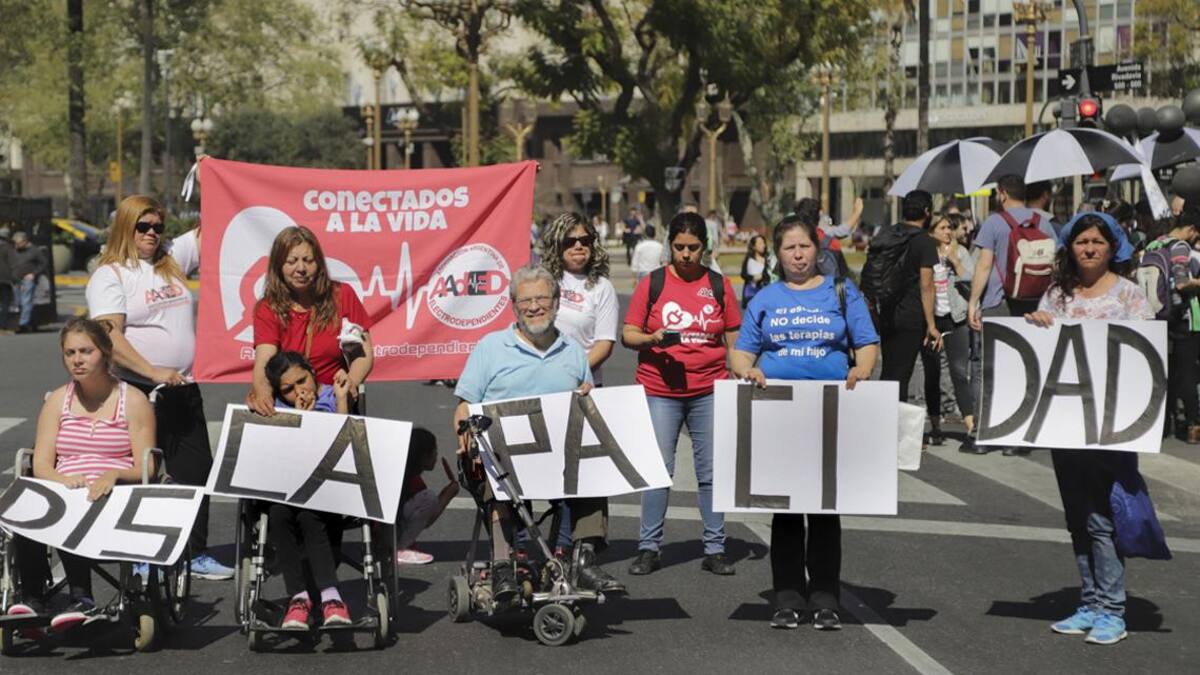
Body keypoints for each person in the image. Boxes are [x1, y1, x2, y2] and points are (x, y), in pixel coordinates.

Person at [730, 212, 879, 631]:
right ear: (778, 254)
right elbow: (741, 353)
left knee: (825, 510)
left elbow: (866, 344)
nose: (798, 255)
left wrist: (861, 370)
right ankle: (787, 596)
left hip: (831, 410)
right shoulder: (765, 298)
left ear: (818, 249)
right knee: (787, 511)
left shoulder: (843, 292)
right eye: (789, 248)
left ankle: (826, 597)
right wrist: (748, 370)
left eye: (805, 246)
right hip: (779, 413)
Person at [453, 265, 624, 603]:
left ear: (557, 302)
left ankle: (581, 559)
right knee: (494, 464)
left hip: (559, 453)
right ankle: (505, 563)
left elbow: (584, 403)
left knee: (593, 467)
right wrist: (463, 429)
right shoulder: (491, 347)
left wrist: (587, 393)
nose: (534, 307)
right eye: (525, 301)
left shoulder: (573, 351)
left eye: (542, 299)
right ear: (514, 306)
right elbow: (464, 404)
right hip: (505, 454)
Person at [85, 195, 233, 580]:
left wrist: (209, 178)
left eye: (157, 227)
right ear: (126, 229)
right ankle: (141, 554)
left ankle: (194, 553)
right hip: (136, 388)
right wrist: (151, 370)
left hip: (182, 386)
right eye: (143, 227)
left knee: (196, 470)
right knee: (143, 474)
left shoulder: (170, 259)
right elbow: (109, 335)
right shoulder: (110, 275)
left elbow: (210, 227)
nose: (152, 234)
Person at [1023, 212, 1152, 646]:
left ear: (1113, 246)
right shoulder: (1056, 295)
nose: (1090, 248)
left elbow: (1148, 355)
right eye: (1082, 242)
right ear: (1070, 248)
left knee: (1102, 519)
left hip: (1113, 424)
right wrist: (1036, 325)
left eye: (1098, 241)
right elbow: (1041, 352)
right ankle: (1091, 601)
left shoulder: (1131, 296)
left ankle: (1112, 610)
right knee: (1078, 518)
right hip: (1066, 425)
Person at [5, 318, 156, 630]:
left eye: (86, 351)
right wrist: (63, 482)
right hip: (64, 487)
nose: (77, 359)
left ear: (104, 352)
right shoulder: (58, 400)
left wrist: (114, 474)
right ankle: (32, 597)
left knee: (77, 509)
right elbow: (43, 463)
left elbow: (148, 466)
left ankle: (81, 597)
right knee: (26, 510)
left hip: (113, 490)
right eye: (70, 352)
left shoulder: (134, 401)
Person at [622, 211, 741, 576]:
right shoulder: (653, 284)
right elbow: (628, 333)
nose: (686, 254)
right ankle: (648, 547)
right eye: (679, 247)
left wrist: (739, 373)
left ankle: (715, 546)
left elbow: (733, 336)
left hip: (709, 388)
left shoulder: (719, 285)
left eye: (693, 247)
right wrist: (652, 338)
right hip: (661, 390)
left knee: (710, 471)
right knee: (660, 470)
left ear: (705, 247)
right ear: (669, 246)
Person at [538, 211, 619, 550]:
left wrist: (571, 372)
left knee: (578, 473)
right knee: (544, 470)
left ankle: (570, 544)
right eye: (570, 241)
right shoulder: (542, 281)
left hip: (584, 389)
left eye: (585, 240)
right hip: (539, 387)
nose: (578, 246)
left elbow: (604, 343)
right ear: (557, 244)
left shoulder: (600, 288)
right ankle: (537, 539)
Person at [262, 350, 354, 628]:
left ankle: (330, 596)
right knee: (278, 515)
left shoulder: (333, 395)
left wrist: (339, 400)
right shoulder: (278, 408)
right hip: (289, 486)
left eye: (302, 381)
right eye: (288, 389)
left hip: (328, 486)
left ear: (311, 372)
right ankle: (299, 597)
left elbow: (345, 441)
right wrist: (298, 417)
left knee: (310, 516)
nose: (298, 391)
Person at [967, 175, 1057, 455]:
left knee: (987, 368)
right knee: (1021, 367)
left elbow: (983, 265)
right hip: (1032, 304)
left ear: (1002, 194)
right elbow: (1056, 261)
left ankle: (984, 434)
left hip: (997, 302)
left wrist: (973, 302)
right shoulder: (1043, 221)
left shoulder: (995, 222)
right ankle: (1014, 438)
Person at [247, 225, 373, 417]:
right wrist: (262, 393)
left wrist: (351, 384)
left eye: (308, 260)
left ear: (319, 264)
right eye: (291, 261)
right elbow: (264, 361)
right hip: (290, 405)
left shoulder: (343, 295)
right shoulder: (267, 308)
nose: (301, 269)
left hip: (334, 400)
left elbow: (363, 355)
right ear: (278, 267)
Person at [869, 190, 941, 403]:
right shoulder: (925, 242)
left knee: (890, 371)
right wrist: (931, 324)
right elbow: (926, 285)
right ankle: (894, 427)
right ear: (927, 211)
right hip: (912, 314)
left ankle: (884, 421)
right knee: (902, 376)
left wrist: (873, 309)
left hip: (887, 312)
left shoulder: (887, 234)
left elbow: (873, 273)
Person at [922, 213, 976, 447]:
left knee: (959, 371)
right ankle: (935, 427)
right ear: (932, 231)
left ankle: (971, 427)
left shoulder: (961, 251)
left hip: (957, 318)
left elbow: (972, 279)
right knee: (932, 373)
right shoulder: (925, 255)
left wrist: (955, 261)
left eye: (950, 228)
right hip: (932, 320)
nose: (948, 232)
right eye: (942, 228)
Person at [1148, 204, 1200, 442]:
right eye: (1196, 233)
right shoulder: (1180, 246)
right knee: (1187, 372)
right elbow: (1181, 283)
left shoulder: (1155, 243)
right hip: (1182, 317)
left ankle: (1163, 424)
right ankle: (1193, 425)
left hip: (1158, 314)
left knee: (1165, 372)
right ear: (1190, 229)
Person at [395, 428, 459, 565]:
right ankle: (399, 548)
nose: (436, 455)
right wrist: (447, 495)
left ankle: (398, 545)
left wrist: (446, 493)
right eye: (434, 450)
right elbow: (428, 520)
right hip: (384, 533)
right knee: (428, 498)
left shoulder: (409, 474)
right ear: (423, 456)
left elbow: (424, 520)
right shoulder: (409, 479)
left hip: (385, 532)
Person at [11, 230, 47, 334]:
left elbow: (43, 263)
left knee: (26, 301)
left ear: (25, 241)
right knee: (18, 302)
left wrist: (34, 274)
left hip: (27, 279)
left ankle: (23, 324)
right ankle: (22, 321)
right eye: (15, 243)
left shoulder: (34, 250)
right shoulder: (15, 250)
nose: (16, 245)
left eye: (18, 243)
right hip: (16, 279)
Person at [740, 234, 770, 308]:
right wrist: (753, 278)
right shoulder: (749, 259)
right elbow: (743, 274)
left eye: (764, 243)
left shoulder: (769, 258)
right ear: (754, 246)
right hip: (751, 293)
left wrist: (762, 276)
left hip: (765, 293)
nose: (763, 245)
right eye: (760, 243)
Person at [0, 227, 14, 333]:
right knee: (5, 302)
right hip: (5, 279)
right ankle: (3, 325)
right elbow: (13, 263)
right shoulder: (9, 248)